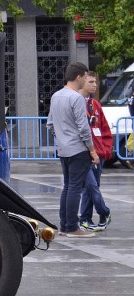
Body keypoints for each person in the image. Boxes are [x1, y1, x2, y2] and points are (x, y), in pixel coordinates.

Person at [50, 62, 98, 238]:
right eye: (85, 77)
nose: (86, 80)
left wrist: (62, 138)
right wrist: (92, 150)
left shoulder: (56, 96)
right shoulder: (76, 98)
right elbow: (83, 128)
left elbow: (50, 124)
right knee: (75, 188)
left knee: (68, 186)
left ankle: (64, 226)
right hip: (78, 149)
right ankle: (72, 227)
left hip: (63, 149)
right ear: (78, 77)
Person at [78, 71, 112, 232]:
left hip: (99, 153)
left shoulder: (95, 105)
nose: (95, 85)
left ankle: (85, 218)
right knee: (91, 186)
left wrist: (105, 150)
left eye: (95, 82)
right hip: (82, 153)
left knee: (91, 188)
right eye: (91, 82)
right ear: (82, 82)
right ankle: (104, 212)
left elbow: (104, 129)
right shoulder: (76, 102)